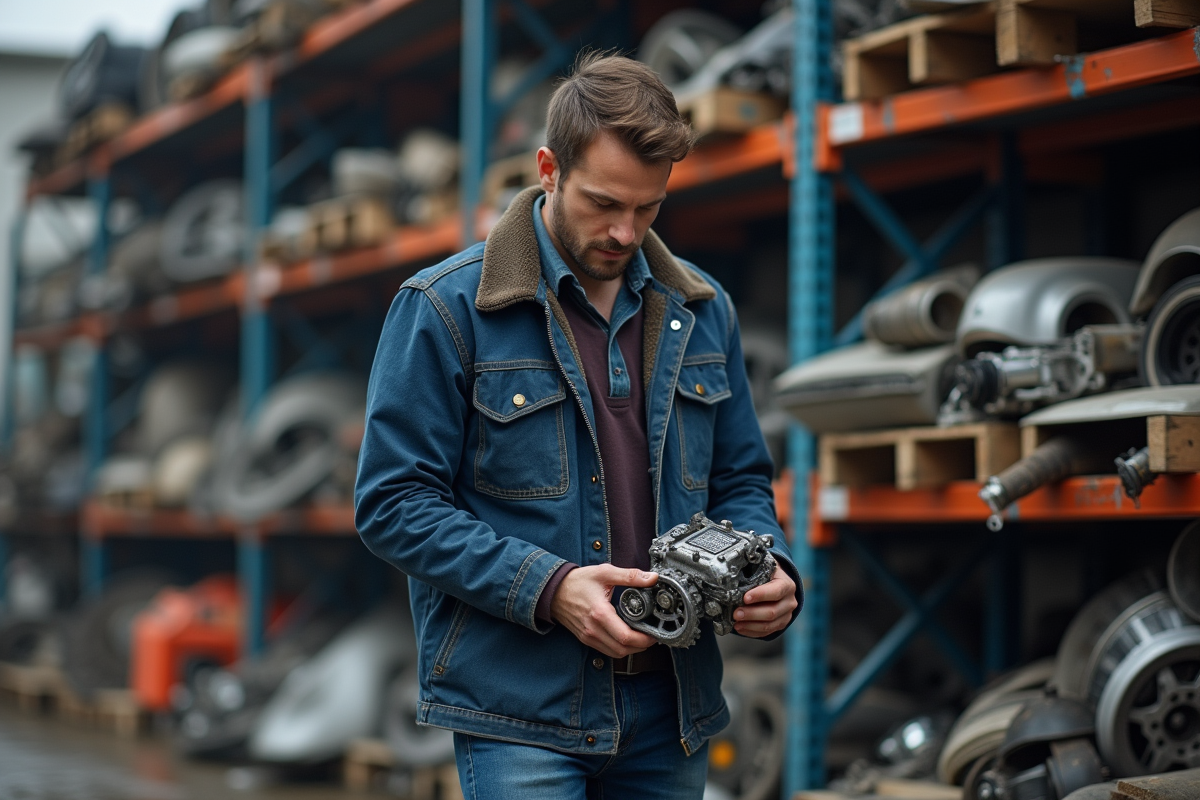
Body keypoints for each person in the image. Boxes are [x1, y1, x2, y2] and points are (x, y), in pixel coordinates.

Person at [355, 52, 802, 800]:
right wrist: (551, 587)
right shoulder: (447, 308)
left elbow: (741, 480)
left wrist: (774, 571)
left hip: (671, 707)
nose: (625, 233)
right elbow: (393, 504)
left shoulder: (704, 310)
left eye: (649, 208)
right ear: (548, 168)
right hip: (520, 714)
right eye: (603, 203)